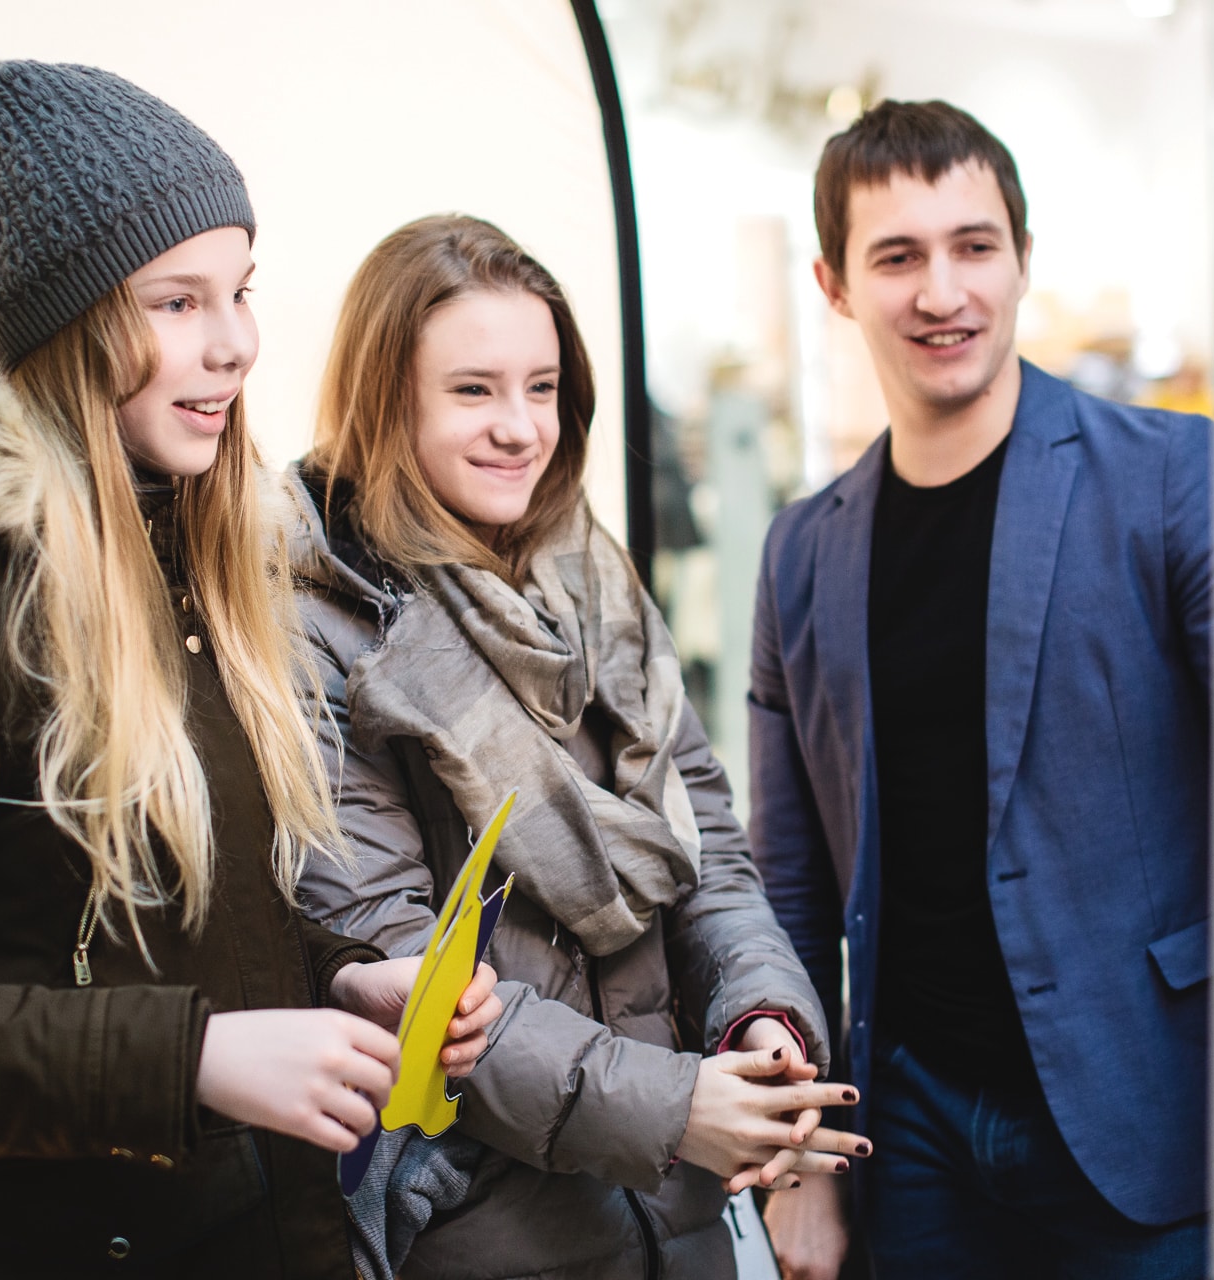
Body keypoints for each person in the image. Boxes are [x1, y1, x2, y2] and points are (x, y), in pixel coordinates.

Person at [0, 53, 498, 1278]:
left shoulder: (181, 551)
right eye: (177, 302)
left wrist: (345, 984)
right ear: (69, 317)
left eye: (240, 291)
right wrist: (195, 1058)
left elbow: (171, 926)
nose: (236, 344)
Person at [288, 215, 869, 1280]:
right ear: (386, 401)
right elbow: (402, 965)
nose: (520, 427)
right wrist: (676, 1107)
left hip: (675, 1218)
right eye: (473, 390)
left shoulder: (594, 582)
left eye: (543, 387)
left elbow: (706, 851)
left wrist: (761, 1017)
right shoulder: (319, 624)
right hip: (480, 1231)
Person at [749, 101, 1214, 1279]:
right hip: (910, 1130)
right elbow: (793, 888)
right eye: (897, 256)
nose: (942, 291)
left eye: (974, 246)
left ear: (1021, 258)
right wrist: (805, 1153)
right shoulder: (801, 551)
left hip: (1147, 1106)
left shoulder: (1171, 479)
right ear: (835, 285)